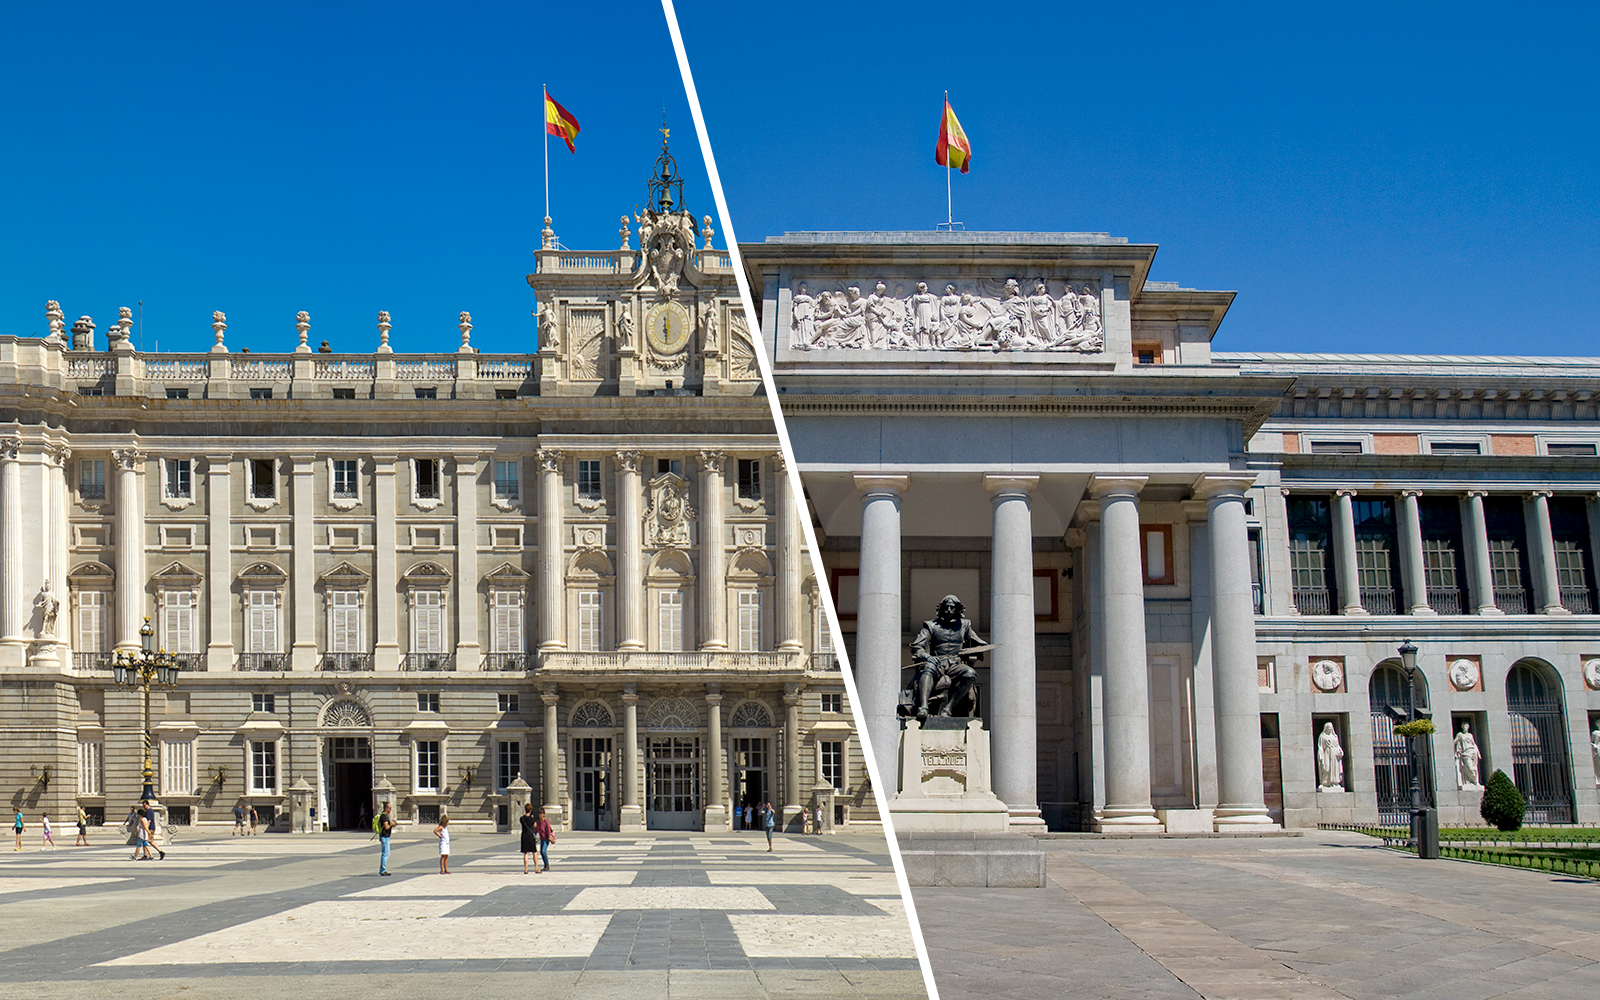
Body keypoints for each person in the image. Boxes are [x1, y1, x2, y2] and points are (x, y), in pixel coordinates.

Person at [907, 596, 985, 721]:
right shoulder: (931, 625)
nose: (949, 610)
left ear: (957, 609)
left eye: (952, 607)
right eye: (946, 607)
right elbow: (917, 646)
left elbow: (978, 643)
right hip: (937, 662)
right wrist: (927, 657)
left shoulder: (965, 625)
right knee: (928, 667)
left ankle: (948, 709)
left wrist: (980, 649)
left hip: (955, 664)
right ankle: (924, 707)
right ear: (942, 609)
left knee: (970, 674)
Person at [519, 802, 539, 874]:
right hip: (530, 836)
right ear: (530, 810)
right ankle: (536, 868)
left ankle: (526, 869)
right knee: (534, 852)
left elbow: (521, 823)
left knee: (526, 853)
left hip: (524, 836)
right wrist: (532, 818)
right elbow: (535, 825)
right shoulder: (532, 819)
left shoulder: (522, 818)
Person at [376, 801, 395, 876]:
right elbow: (386, 827)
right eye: (390, 808)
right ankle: (383, 870)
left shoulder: (385, 816)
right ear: (386, 808)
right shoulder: (383, 816)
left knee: (386, 853)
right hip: (384, 837)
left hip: (386, 837)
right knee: (385, 853)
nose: (391, 809)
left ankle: (383, 869)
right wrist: (392, 825)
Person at [534, 807, 555, 873]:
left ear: (544, 814)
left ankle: (547, 864)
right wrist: (534, 835)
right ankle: (545, 865)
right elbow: (536, 830)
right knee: (541, 852)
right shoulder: (538, 822)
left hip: (546, 838)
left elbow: (548, 829)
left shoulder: (545, 821)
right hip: (541, 839)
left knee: (543, 851)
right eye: (540, 813)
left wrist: (549, 836)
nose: (541, 814)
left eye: (542, 813)